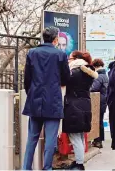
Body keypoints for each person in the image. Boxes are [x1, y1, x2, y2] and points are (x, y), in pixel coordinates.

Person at [22, 27, 70, 170]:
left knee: (32, 138)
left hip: (35, 100)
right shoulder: (60, 55)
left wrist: (32, 93)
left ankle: (26, 168)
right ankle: (47, 168)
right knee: (50, 140)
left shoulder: (32, 53)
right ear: (55, 39)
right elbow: (66, 78)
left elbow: (27, 78)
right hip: (53, 101)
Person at [63, 51, 98, 170]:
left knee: (75, 136)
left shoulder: (74, 72)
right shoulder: (87, 72)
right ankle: (79, 161)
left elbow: (62, 82)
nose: (68, 60)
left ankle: (79, 164)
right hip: (84, 105)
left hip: (73, 106)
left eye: (69, 58)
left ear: (76, 59)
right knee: (80, 136)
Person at [90, 58, 109, 148]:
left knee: (96, 121)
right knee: (100, 121)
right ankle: (100, 139)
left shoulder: (98, 76)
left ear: (95, 66)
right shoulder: (105, 75)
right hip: (103, 101)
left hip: (97, 101)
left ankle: (98, 141)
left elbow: (94, 88)